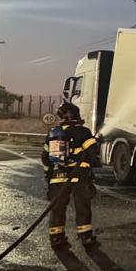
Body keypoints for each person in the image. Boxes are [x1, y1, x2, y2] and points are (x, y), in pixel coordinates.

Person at [42, 102, 100, 248]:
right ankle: (86, 237)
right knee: (82, 207)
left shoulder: (53, 133)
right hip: (79, 176)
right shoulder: (83, 132)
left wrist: (49, 176)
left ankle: (56, 238)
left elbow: (45, 157)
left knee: (58, 208)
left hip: (57, 177)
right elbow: (93, 153)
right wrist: (96, 143)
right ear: (74, 114)